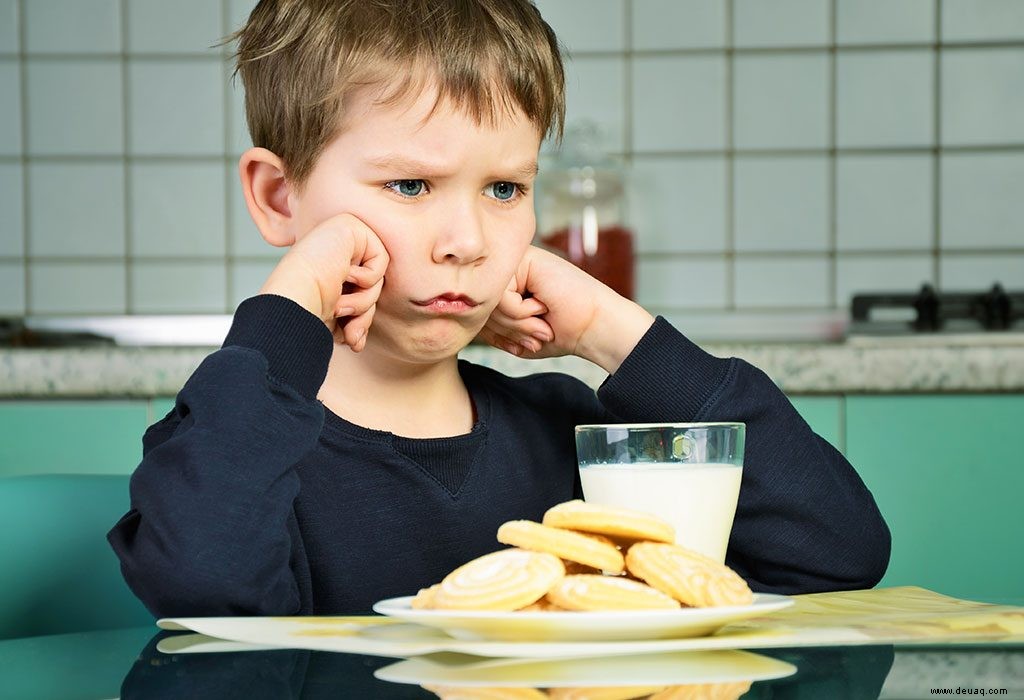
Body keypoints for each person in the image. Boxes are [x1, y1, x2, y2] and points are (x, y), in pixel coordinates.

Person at [107, 0, 890, 617]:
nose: (468, 240)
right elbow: (209, 596)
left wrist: (613, 333)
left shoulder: (566, 434)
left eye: (505, 188)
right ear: (281, 198)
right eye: (410, 186)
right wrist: (288, 310)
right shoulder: (233, 448)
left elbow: (835, 554)